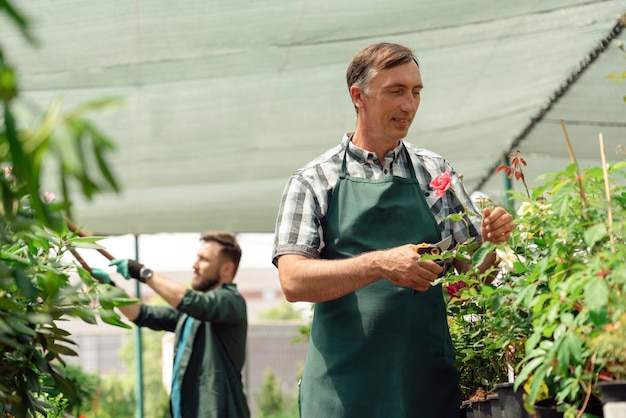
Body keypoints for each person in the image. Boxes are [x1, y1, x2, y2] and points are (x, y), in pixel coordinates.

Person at [272, 42, 515, 418]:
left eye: (416, 92)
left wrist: (492, 244)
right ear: (359, 97)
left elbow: (470, 285)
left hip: (424, 388)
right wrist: (379, 265)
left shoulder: (436, 172)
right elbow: (293, 281)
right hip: (342, 392)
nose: (409, 105)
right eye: (396, 91)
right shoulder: (313, 180)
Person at [93, 231, 250, 418]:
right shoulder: (192, 314)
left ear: (226, 269)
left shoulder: (230, 301)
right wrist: (110, 288)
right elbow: (143, 314)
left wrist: (143, 273)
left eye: (204, 259)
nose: (195, 265)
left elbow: (189, 301)